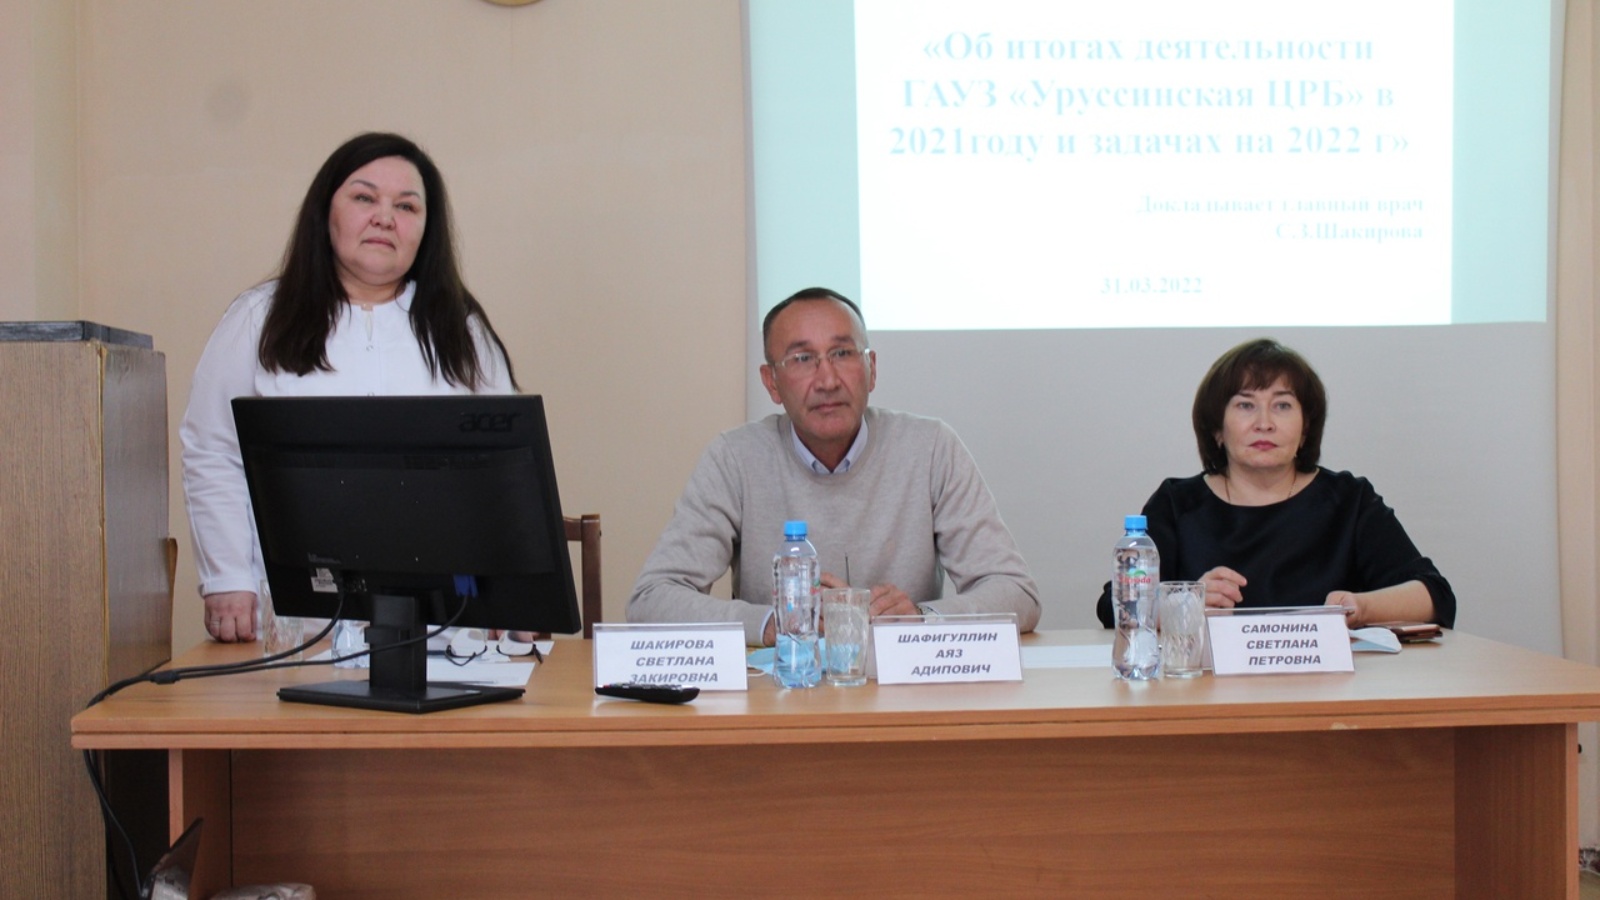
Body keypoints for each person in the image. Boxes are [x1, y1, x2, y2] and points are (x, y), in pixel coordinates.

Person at [181, 132, 518, 643]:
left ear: (426, 229)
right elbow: (213, 450)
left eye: (406, 206)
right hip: (295, 623)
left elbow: (506, 470)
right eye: (365, 198)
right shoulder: (260, 318)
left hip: (443, 623)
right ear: (326, 213)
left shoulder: (460, 329)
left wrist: (511, 595)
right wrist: (227, 579)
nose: (385, 218)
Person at [628, 287, 1040, 646]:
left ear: (872, 369)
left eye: (842, 353)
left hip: (904, 693)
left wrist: (922, 619)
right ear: (771, 382)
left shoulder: (931, 448)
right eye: (802, 358)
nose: (827, 380)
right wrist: (774, 623)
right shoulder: (735, 458)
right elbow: (651, 599)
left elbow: (1017, 594)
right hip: (781, 695)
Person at [1095, 338, 1455, 629]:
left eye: (1282, 406)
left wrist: (1360, 607)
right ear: (1217, 428)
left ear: (1306, 428)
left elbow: (1435, 596)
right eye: (1245, 405)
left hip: (1327, 688)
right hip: (1207, 689)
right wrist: (1182, 603)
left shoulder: (1348, 500)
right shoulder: (1178, 504)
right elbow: (1114, 606)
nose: (1264, 423)